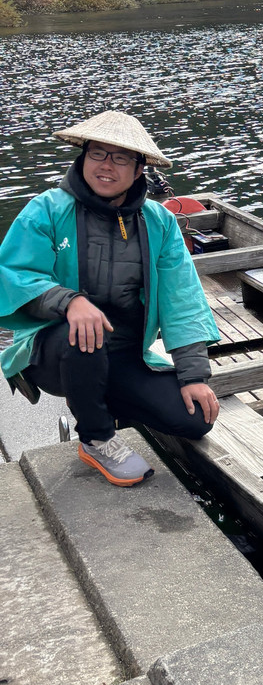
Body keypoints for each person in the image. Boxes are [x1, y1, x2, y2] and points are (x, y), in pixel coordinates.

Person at [0, 111, 221, 487]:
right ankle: (96, 437)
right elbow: (14, 275)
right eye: (98, 153)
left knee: (193, 420)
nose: (107, 166)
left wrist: (193, 375)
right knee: (84, 332)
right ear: (82, 157)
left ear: (139, 171)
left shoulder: (159, 221)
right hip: (53, 349)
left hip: (124, 353)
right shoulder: (48, 208)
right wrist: (69, 301)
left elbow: (182, 298)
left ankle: (96, 399)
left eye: (121, 158)